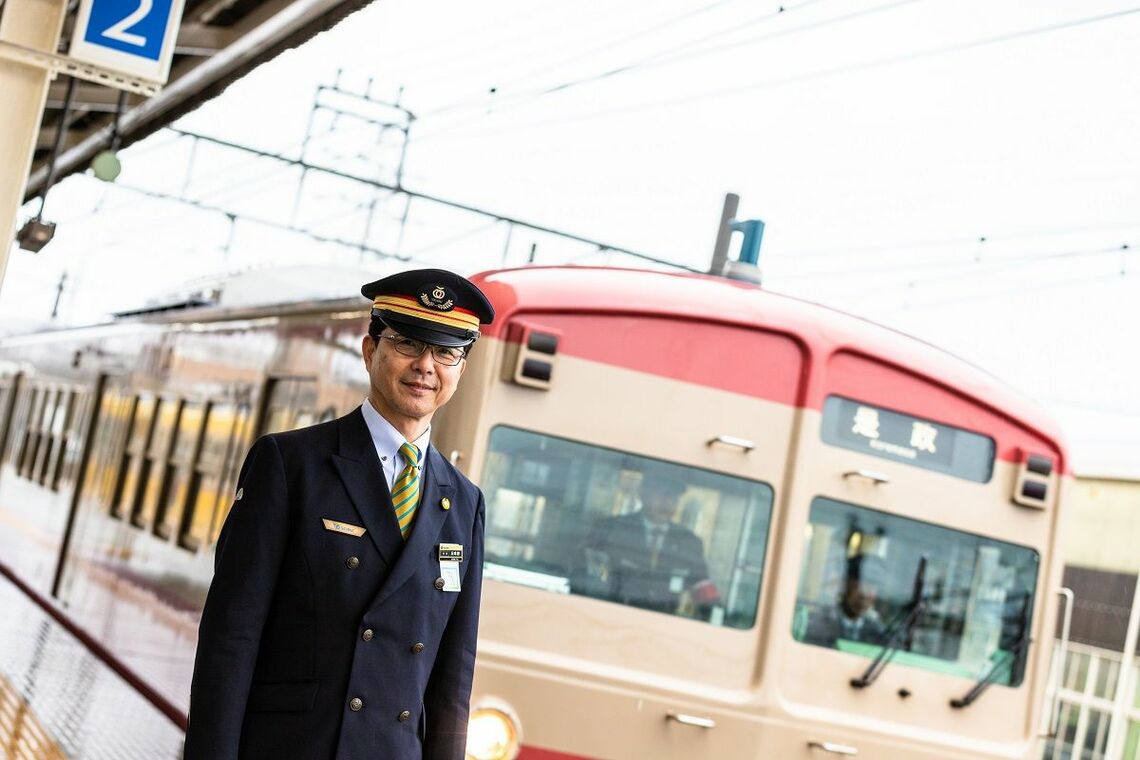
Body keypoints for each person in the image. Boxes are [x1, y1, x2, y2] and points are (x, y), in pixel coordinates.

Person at [184, 269, 494, 760]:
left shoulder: (465, 503)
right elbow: (231, 637)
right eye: (409, 344)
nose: (426, 366)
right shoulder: (291, 465)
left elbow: (454, 676)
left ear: (461, 371)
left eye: (446, 353)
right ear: (371, 351)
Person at [580, 472, 720, 620]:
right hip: (610, 618)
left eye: (674, 497)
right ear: (643, 494)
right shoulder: (611, 529)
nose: (667, 503)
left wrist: (716, 619)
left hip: (663, 625)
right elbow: (584, 573)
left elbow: (702, 588)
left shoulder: (689, 542)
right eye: (662, 494)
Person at [803, 554, 888, 648]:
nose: (864, 594)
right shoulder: (816, 624)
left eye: (872, 587)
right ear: (845, 584)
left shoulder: (880, 634)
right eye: (859, 585)